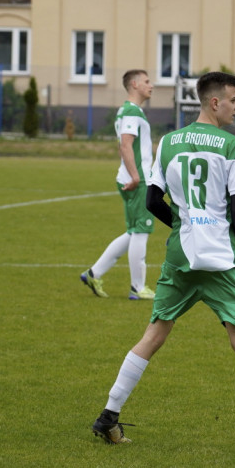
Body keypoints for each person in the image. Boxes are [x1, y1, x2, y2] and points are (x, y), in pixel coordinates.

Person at [91, 71, 235, 453]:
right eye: (234, 99)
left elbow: (151, 201)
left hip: (182, 253)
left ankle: (107, 417)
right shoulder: (232, 145)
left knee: (155, 333)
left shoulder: (168, 143)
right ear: (215, 102)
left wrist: (181, 224)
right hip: (221, 256)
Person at [79, 70, 157, 300]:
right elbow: (125, 145)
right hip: (137, 179)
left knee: (134, 231)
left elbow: (124, 145)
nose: (151, 85)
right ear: (134, 84)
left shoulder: (127, 110)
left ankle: (94, 273)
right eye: (146, 81)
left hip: (131, 177)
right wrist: (135, 176)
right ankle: (138, 287)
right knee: (142, 230)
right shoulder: (132, 112)